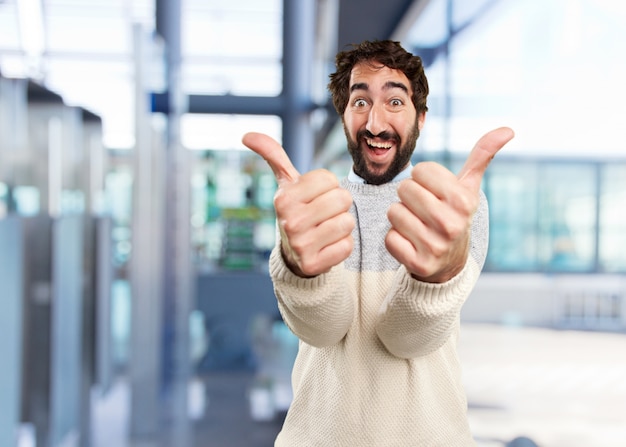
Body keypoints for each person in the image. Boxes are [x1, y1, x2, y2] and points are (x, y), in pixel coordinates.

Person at [242, 39, 514, 446]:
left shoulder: (452, 207)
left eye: (395, 102)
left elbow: (408, 338)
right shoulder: (315, 206)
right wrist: (301, 271)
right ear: (343, 116)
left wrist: (436, 278)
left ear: (420, 119)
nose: (375, 123)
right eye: (360, 102)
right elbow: (322, 330)